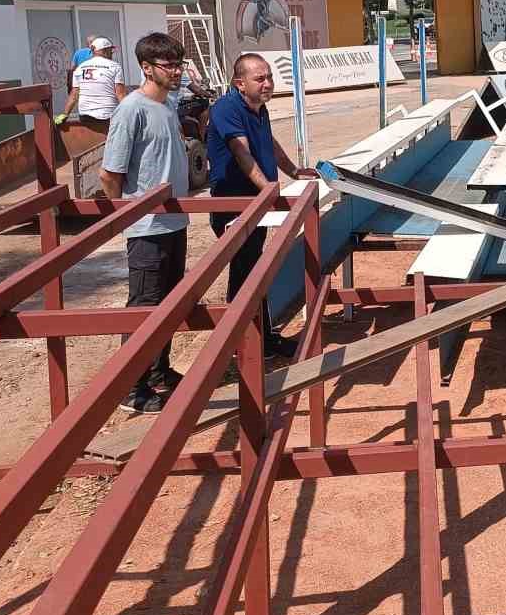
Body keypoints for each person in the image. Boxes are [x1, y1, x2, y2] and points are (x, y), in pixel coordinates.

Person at [99, 33, 191, 413]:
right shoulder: (130, 110)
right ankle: (129, 386)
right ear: (146, 68)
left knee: (169, 304)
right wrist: (129, 216)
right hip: (147, 228)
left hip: (175, 222)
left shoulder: (168, 105)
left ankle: (157, 371)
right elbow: (109, 175)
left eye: (177, 64)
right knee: (144, 305)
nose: (175, 71)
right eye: (167, 65)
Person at [206, 52, 314, 358]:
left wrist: (293, 171)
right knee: (245, 276)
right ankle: (243, 345)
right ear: (239, 83)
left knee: (255, 271)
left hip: (256, 204)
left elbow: (268, 144)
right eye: (260, 78)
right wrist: (269, 191)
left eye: (269, 76)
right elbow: (242, 154)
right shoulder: (227, 108)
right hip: (235, 205)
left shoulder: (257, 107)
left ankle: (261, 338)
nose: (268, 83)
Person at [58, 37, 126, 133]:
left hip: (85, 118)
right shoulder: (115, 67)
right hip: (108, 118)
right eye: (111, 50)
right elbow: (120, 94)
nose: (112, 53)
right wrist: (130, 115)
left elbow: (74, 95)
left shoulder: (80, 68)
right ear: (105, 51)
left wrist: (65, 114)